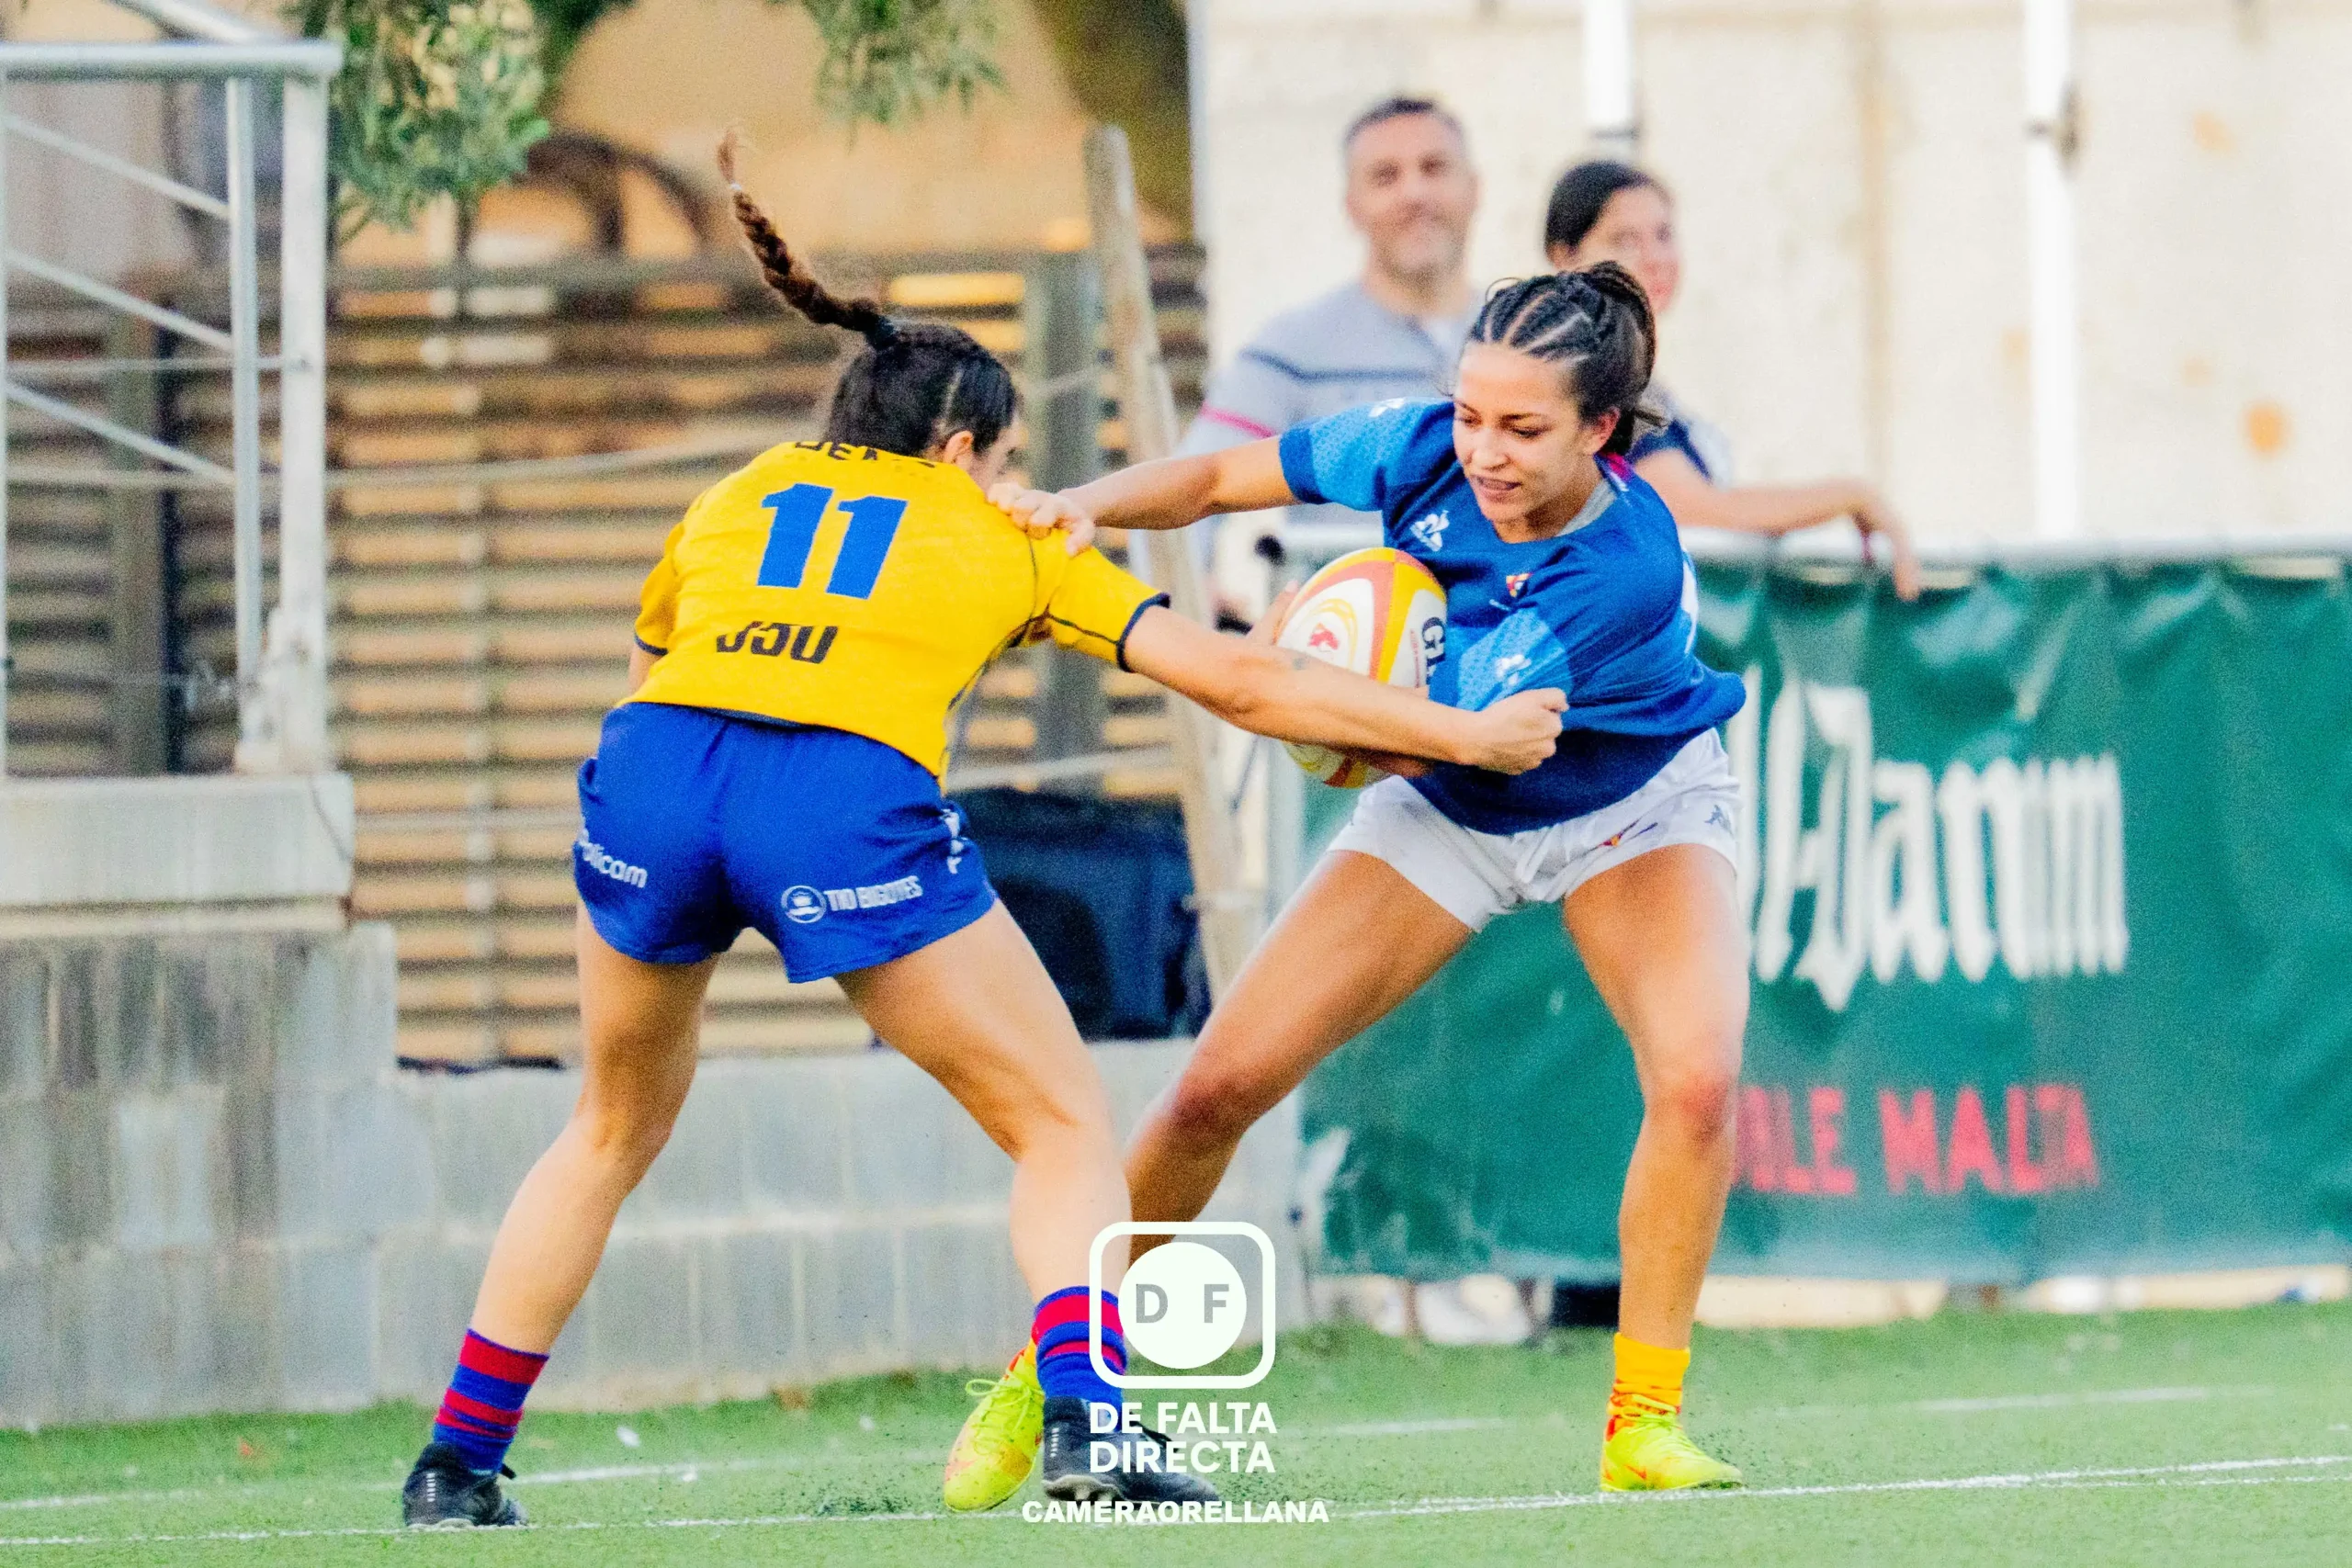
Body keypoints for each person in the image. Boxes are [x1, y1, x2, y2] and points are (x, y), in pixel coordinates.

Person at [394, 135, 1568, 1529]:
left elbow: (665, 644)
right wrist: (1464, 735)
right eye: (1009, 460)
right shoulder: (1003, 530)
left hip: (656, 766)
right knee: (1064, 1118)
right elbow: (1243, 680)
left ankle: (456, 1462)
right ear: (967, 448)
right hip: (833, 792)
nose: (1017, 481)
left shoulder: (741, 489)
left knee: (606, 1126)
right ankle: (1092, 1428)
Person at [971, 262, 1760, 1498]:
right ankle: (1048, 1379)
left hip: (1627, 804)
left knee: (1701, 1081)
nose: (1483, 449)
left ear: (1602, 430)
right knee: (1214, 1086)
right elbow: (1227, 475)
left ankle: (1641, 1422)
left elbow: (1412, 738)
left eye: (1522, 426)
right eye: (1468, 411)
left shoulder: (1622, 567)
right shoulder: (1420, 450)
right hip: (1455, 792)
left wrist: (1289, 677)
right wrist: (1079, 506)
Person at [1544, 160, 1922, 598]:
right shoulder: (1588, 377)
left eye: (1664, 236)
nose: (1654, 259)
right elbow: (1691, 510)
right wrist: (1850, 496)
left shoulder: (1634, 377)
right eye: (1625, 241)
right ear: (1564, 258)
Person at [1181, 96, 1481, 603]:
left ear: (1475, 189)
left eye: (1434, 168)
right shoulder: (1294, 349)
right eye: (1385, 176)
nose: (1415, 193)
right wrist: (1186, 607)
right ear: (1351, 207)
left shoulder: (1532, 340)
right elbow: (1191, 481)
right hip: (1343, 663)